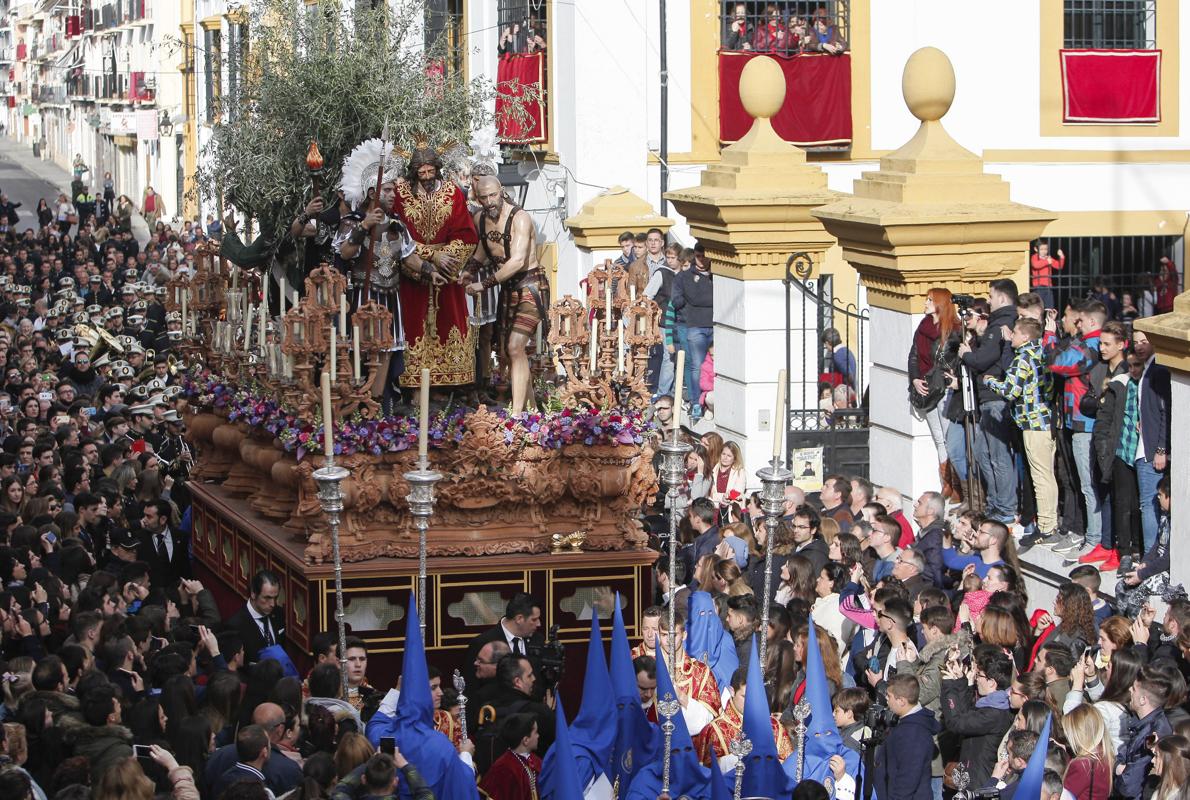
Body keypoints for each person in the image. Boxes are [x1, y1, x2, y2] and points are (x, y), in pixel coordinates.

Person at [335, 138, 435, 413]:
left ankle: (377, 406)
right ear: (371, 192)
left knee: (387, 351)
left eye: (393, 190)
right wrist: (363, 228)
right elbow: (344, 252)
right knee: (362, 351)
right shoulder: (352, 222)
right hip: (364, 297)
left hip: (390, 298)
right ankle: (357, 403)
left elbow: (409, 256)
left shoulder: (396, 226)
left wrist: (429, 270)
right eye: (388, 190)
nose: (394, 195)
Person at [391, 140, 479, 391]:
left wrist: (446, 261)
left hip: (446, 276)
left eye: (431, 171)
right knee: (413, 324)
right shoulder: (400, 194)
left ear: (438, 169)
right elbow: (398, 234)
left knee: (447, 322)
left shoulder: (453, 192)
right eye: (422, 173)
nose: (427, 177)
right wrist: (429, 258)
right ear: (414, 172)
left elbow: (466, 234)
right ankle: (413, 387)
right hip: (412, 274)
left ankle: (448, 386)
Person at [464, 175, 548, 413]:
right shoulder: (480, 218)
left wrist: (484, 284)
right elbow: (481, 253)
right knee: (508, 353)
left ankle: (518, 414)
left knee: (514, 347)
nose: (490, 201)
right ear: (477, 198)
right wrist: (469, 272)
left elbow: (517, 261)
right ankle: (532, 410)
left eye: (493, 195)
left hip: (530, 286)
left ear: (501, 191)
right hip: (508, 289)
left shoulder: (520, 218)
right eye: (484, 197)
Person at [985, 317, 1059, 544]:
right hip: (1045, 422)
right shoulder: (1042, 352)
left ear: (1025, 336)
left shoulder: (1023, 358)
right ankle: (1049, 521)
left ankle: (1046, 526)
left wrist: (989, 381)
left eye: (1015, 333)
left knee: (1040, 476)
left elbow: (1009, 391)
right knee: (1047, 475)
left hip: (1033, 425)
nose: (1011, 337)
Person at [960, 279, 1019, 525]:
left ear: (1002, 299)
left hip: (996, 399)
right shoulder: (996, 324)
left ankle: (1005, 508)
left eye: (991, 297)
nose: (989, 301)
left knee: (998, 456)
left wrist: (967, 355)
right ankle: (995, 503)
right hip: (987, 399)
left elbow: (985, 359)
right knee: (983, 453)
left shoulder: (1002, 323)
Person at [909, 288, 963, 496]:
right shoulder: (923, 326)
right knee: (939, 438)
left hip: (943, 388)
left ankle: (957, 485)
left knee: (950, 438)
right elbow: (913, 355)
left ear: (940, 304)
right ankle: (947, 483)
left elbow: (952, 360)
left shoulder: (954, 330)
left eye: (930, 300)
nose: (925, 303)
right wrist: (914, 378)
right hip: (926, 386)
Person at [872, 673, 939, 800]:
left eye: (889, 696)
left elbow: (908, 778)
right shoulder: (904, 722)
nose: (886, 699)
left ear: (902, 701)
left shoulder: (914, 733)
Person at [670, 244, 713, 421]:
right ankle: (696, 402)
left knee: (714, 366)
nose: (701, 260)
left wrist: (694, 297)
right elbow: (677, 300)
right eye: (697, 256)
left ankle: (709, 400)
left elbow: (705, 298)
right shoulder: (684, 277)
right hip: (694, 325)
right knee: (696, 365)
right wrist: (692, 298)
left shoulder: (716, 276)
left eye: (704, 256)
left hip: (714, 324)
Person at [225, 569, 288, 664]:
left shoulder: (278, 613)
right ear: (253, 594)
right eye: (267, 598)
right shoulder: (235, 625)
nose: (272, 604)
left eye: (275, 598)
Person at [476, 713, 540, 799]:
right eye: (536, 732)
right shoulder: (503, 768)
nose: (538, 736)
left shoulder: (535, 761)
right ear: (526, 740)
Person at [1029, 241, 1065, 310]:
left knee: (1049, 306)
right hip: (1038, 286)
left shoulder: (1048, 258)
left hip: (1048, 286)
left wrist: (1061, 257)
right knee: (1038, 306)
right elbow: (1035, 265)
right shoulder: (1034, 257)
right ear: (1036, 249)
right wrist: (1047, 262)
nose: (1044, 251)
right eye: (1042, 249)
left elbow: (1059, 266)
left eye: (1046, 249)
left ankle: (1049, 319)